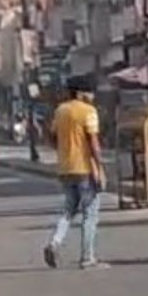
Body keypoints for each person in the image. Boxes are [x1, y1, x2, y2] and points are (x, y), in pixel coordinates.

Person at [45, 75, 106, 270]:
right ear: (80, 93)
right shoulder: (88, 111)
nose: (92, 95)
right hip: (85, 169)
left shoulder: (60, 111)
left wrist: (63, 150)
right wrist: (100, 168)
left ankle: (54, 242)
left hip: (65, 169)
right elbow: (93, 143)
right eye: (89, 92)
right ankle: (87, 258)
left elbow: (52, 137)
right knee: (90, 213)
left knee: (69, 210)